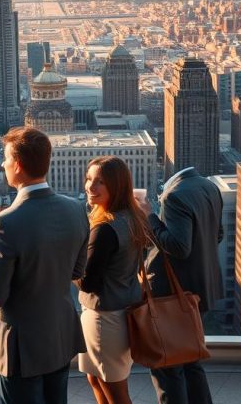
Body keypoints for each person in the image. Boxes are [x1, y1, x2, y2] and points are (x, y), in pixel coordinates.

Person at [0, 126, 89, 404]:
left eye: (5, 159)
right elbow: (77, 272)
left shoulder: (4, 223)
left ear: (18, 165)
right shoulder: (75, 209)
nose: (3, 165)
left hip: (21, 349)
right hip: (60, 337)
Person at [138, 166, 223, 404]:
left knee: (168, 365)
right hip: (202, 289)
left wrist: (149, 216)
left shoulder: (174, 196)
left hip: (174, 296)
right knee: (190, 360)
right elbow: (218, 235)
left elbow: (178, 247)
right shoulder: (209, 186)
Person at [76, 157, 151, 404]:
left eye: (100, 182)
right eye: (89, 179)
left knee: (115, 391)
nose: (90, 186)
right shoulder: (131, 216)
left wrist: (65, 263)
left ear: (116, 187)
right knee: (96, 379)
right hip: (119, 311)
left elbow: (88, 283)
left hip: (105, 319)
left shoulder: (105, 228)